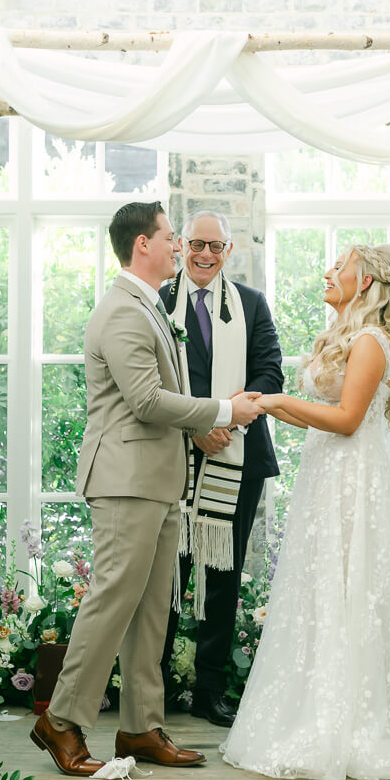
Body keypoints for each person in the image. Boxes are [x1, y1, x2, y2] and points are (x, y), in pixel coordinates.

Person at [31, 201, 262, 776]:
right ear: (143, 245)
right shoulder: (123, 311)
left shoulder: (151, 305)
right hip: (125, 480)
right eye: (169, 237)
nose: (179, 247)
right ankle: (60, 721)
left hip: (160, 482)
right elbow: (146, 401)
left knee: (153, 608)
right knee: (112, 601)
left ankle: (139, 727)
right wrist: (222, 409)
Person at [221, 243, 390, 780]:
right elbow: (320, 419)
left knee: (349, 587)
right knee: (320, 589)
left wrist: (272, 402)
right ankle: (313, 705)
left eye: (340, 267)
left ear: (366, 282)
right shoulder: (345, 337)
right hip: (325, 478)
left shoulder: (371, 341)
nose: (328, 272)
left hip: (354, 482)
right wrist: (265, 402)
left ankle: (351, 720)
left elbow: (346, 419)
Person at [159, 211, 283, 727]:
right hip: (169, 455)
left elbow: (269, 371)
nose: (205, 255)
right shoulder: (158, 300)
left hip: (237, 457)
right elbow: (150, 378)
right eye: (197, 244)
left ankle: (210, 691)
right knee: (165, 576)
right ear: (182, 245)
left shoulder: (251, 304)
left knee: (223, 577)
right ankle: (155, 690)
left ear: (229, 250)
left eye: (216, 246)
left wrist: (224, 424)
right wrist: (195, 425)